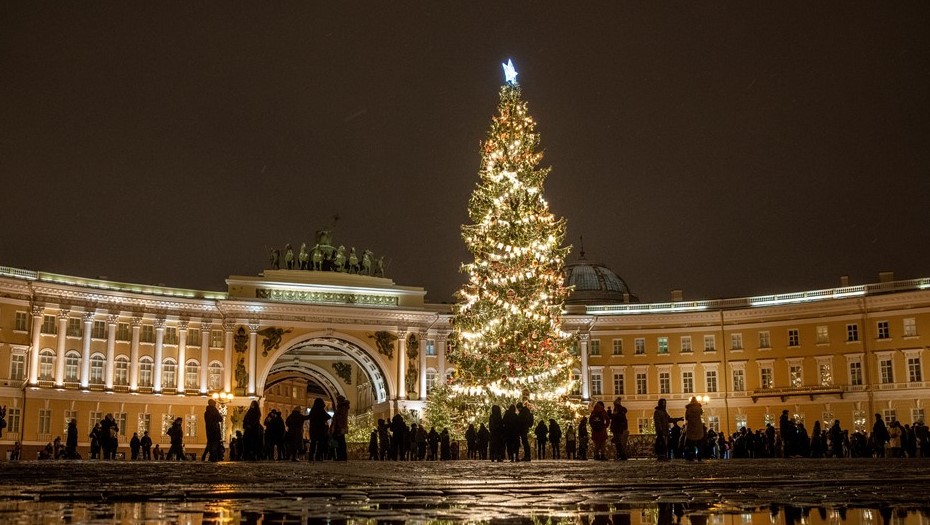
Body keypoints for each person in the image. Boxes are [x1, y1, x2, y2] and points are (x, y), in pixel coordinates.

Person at [684, 397, 705, 461]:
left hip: (691, 427)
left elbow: (686, 417)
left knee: (691, 444)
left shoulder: (688, 409)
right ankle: (699, 456)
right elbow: (702, 413)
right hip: (698, 427)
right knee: (699, 443)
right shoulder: (699, 408)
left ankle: (691, 456)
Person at [332, 395, 350, 460]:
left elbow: (340, 418)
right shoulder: (343, 407)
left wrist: (338, 427)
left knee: (340, 442)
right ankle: (342, 456)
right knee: (341, 441)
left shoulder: (342, 407)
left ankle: (341, 456)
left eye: (338, 400)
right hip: (341, 427)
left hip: (339, 427)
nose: (337, 402)